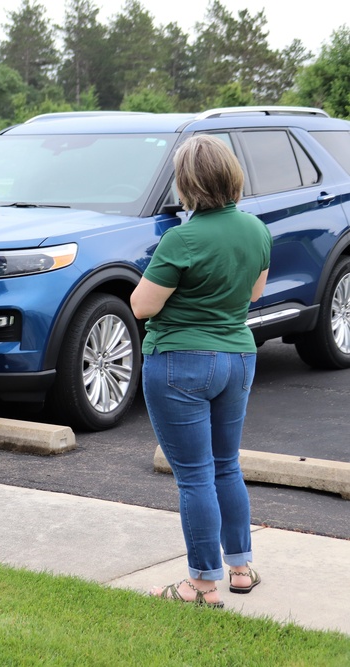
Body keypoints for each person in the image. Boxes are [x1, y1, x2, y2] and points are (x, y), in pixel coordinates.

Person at [130, 135, 271, 608]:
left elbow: (142, 305)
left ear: (188, 183)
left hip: (180, 361)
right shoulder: (256, 229)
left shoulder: (182, 238)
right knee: (226, 465)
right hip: (239, 356)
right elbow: (253, 294)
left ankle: (202, 584)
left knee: (194, 475)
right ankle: (241, 569)